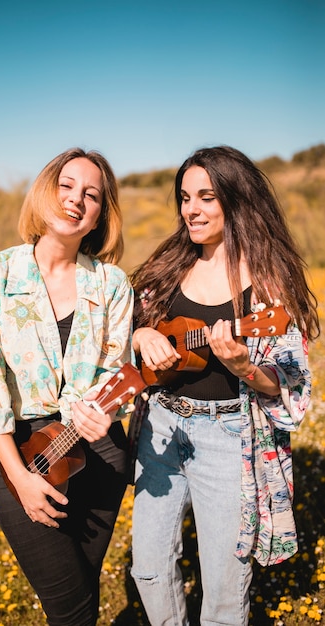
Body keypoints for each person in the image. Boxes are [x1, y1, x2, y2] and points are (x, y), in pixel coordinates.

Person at [129, 145, 319, 626]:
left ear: (235, 201)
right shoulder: (168, 267)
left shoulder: (268, 286)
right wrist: (141, 332)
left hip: (229, 438)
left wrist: (245, 370)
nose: (191, 209)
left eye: (206, 197)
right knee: (148, 570)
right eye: (185, 197)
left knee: (223, 589)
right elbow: (122, 331)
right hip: (161, 430)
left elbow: (290, 386)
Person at [0, 148, 134, 626]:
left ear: (101, 214)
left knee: (80, 595)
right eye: (66, 186)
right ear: (44, 192)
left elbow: (115, 375)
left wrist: (107, 412)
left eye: (91, 195)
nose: (76, 200)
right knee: (71, 606)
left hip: (98, 456)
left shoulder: (113, 285)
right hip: (24, 456)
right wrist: (20, 478)